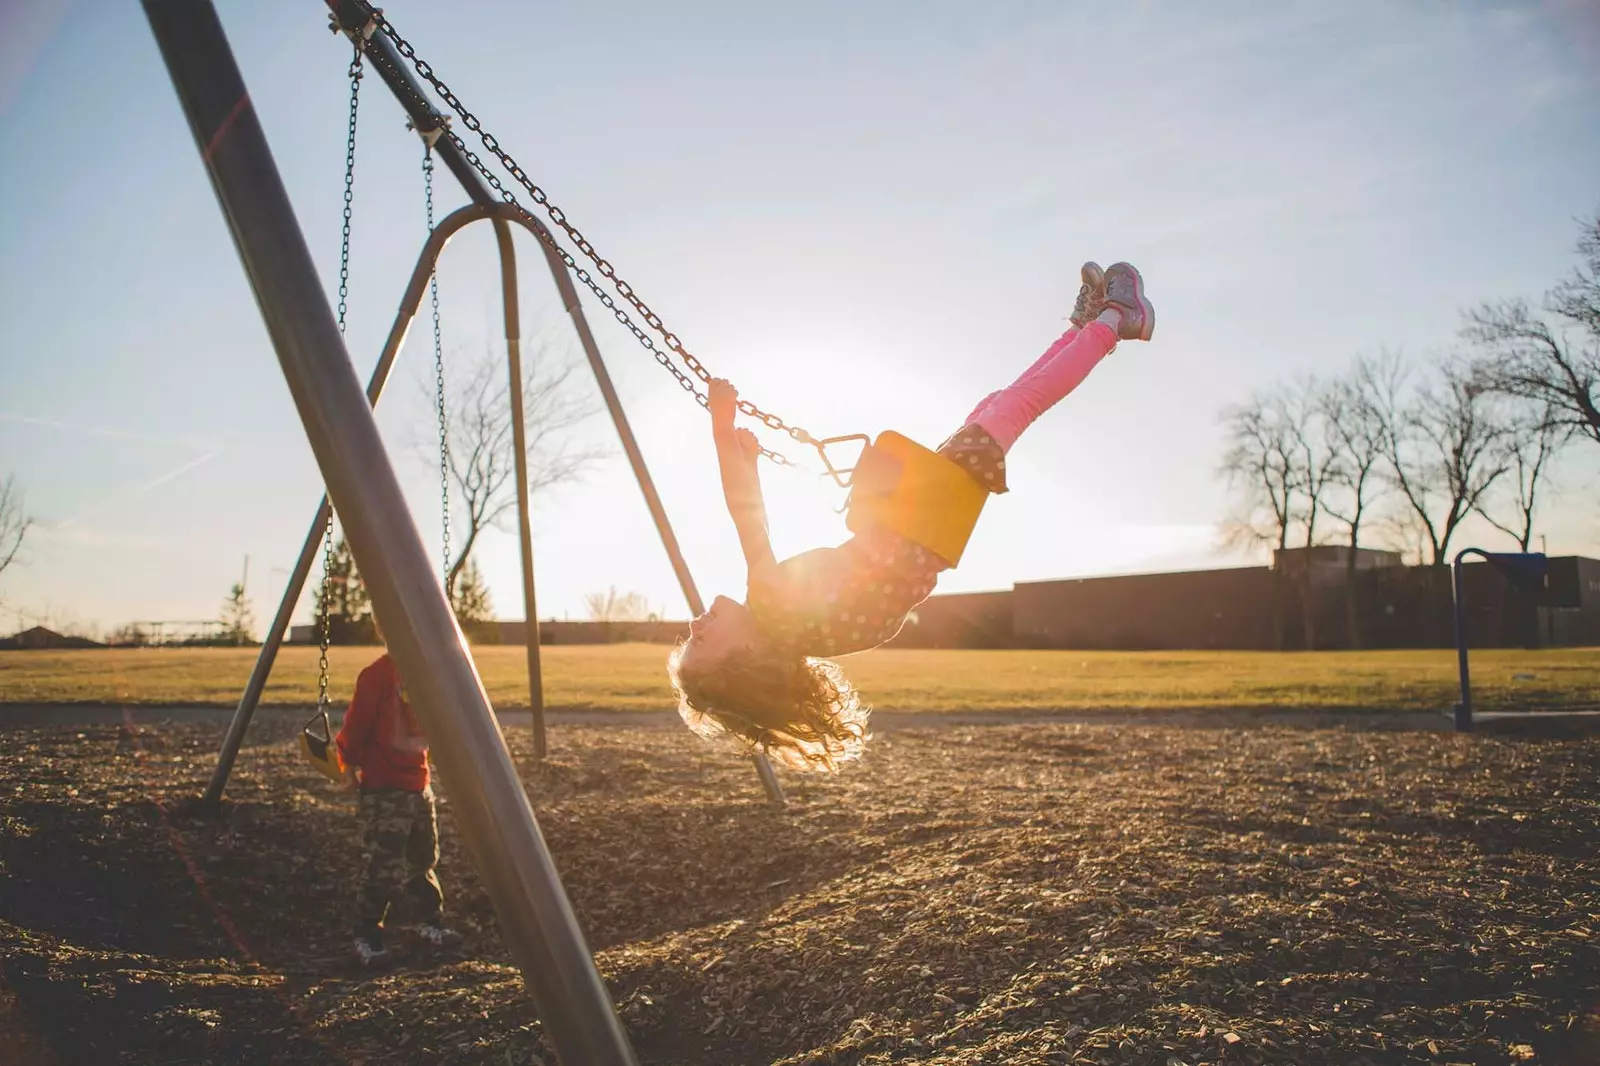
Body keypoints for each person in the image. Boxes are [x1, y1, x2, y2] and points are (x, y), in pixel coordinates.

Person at [667, 261, 1154, 772]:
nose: (697, 623)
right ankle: (1119, 319)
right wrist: (721, 427)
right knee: (1016, 405)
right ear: (745, 653)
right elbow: (745, 517)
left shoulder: (797, 632)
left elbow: (765, 528)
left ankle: (1084, 328)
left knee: (998, 407)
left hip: (926, 523)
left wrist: (750, 462)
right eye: (703, 640)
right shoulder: (772, 609)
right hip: (920, 512)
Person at [335, 629, 462, 964]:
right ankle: (365, 935)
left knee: (423, 858)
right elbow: (356, 725)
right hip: (384, 785)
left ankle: (427, 923)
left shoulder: (426, 675)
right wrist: (347, 763)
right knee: (385, 865)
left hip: (419, 783)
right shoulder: (376, 676)